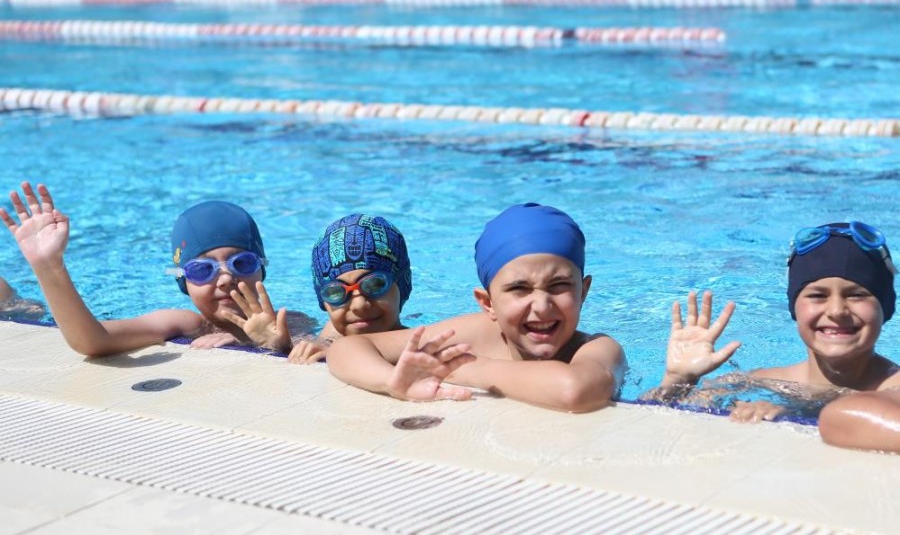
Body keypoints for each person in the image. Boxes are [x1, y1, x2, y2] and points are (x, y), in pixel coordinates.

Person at [326, 203, 625, 412]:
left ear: (583, 291)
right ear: (487, 303)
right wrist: (392, 382)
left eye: (558, 285)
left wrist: (460, 369)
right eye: (519, 289)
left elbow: (575, 391)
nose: (542, 306)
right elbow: (348, 348)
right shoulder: (475, 334)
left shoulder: (598, 348)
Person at [651, 221, 900, 445]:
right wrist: (677, 379)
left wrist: (792, 417)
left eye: (856, 295)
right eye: (817, 295)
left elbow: (848, 417)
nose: (836, 311)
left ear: (886, 307)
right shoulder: (760, 382)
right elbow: (652, 425)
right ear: (795, 308)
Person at [0, 181, 311, 357]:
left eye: (241, 263)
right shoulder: (187, 323)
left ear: (261, 268)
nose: (226, 277)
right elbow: (93, 341)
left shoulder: (293, 322)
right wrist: (48, 266)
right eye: (202, 270)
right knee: (27, 312)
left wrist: (271, 345)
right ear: (183, 281)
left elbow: (317, 356)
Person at [282, 213, 413, 364]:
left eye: (375, 285)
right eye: (336, 292)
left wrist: (342, 352)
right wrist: (277, 346)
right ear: (324, 302)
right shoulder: (330, 335)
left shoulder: (423, 344)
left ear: (402, 284)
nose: (359, 305)